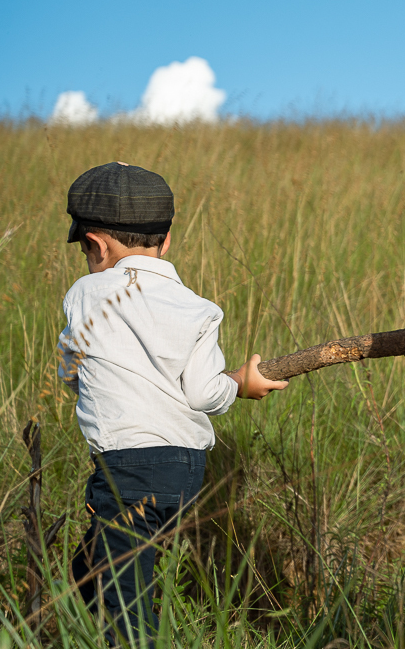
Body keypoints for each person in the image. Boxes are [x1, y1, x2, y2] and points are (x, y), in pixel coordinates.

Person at [58, 161, 285, 646]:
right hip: (186, 470)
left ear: (95, 245)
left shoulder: (85, 293)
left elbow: (69, 370)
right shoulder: (198, 308)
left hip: (126, 468)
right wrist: (240, 386)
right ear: (166, 240)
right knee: (96, 568)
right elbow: (204, 393)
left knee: (123, 598)